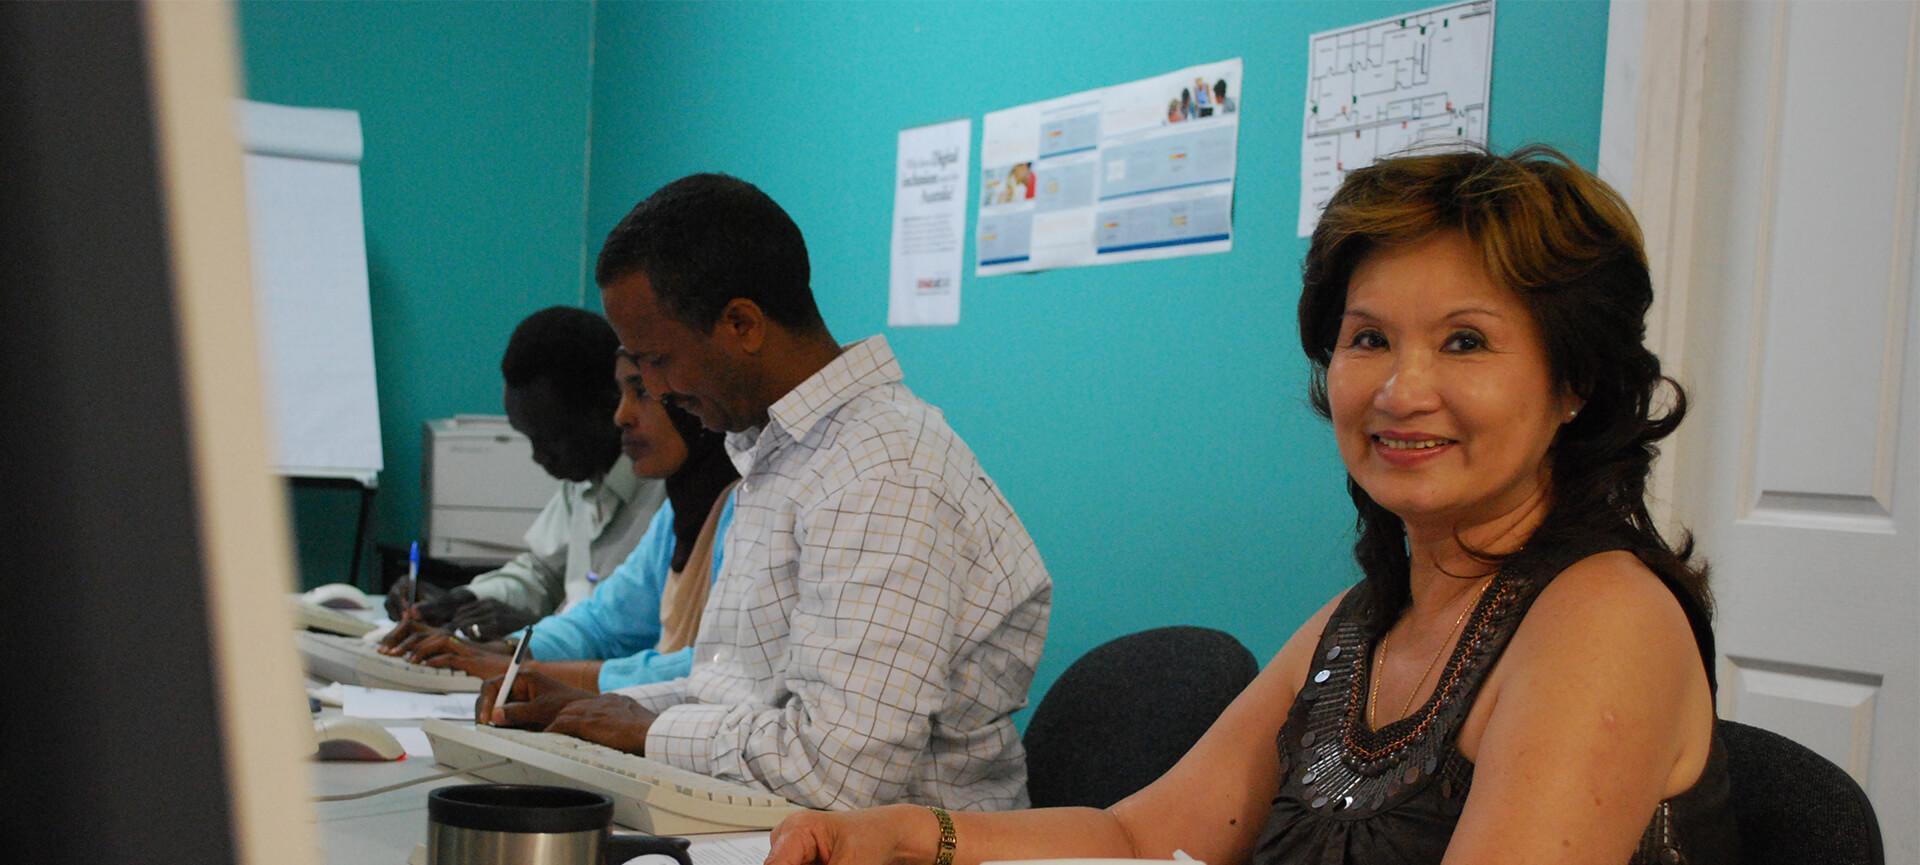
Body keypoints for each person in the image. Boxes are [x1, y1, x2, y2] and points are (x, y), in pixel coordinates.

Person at [761, 145, 1738, 865]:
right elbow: (1138, 834)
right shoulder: (1366, 620)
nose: (1401, 389)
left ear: (1576, 382)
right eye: (1367, 340)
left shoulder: (1603, 618)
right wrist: (905, 834)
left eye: (1466, 343)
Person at [478, 173, 1053, 813]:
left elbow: (840, 772)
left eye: (657, 360)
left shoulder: (882, 471)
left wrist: (644, 729)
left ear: (742, 324)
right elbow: (741, 700)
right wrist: (600, 709)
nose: (653, 390)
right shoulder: (783, 456)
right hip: (778, 826)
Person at [382, 351, 738, 692]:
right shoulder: (675, 512)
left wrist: (526, 669)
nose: (622, 415)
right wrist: (506, 650)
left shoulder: (738, 507)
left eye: (642, 391)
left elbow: (715, 668)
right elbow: (601, 622)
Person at [384, 307, 665, 639]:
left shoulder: (664, 495)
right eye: (529, 438)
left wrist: (535, 633)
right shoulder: (584, 480)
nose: (538, 456)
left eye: (551, 438)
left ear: (608, 407)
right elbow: (541, 572)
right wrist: (465, 599)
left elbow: (633, 634)